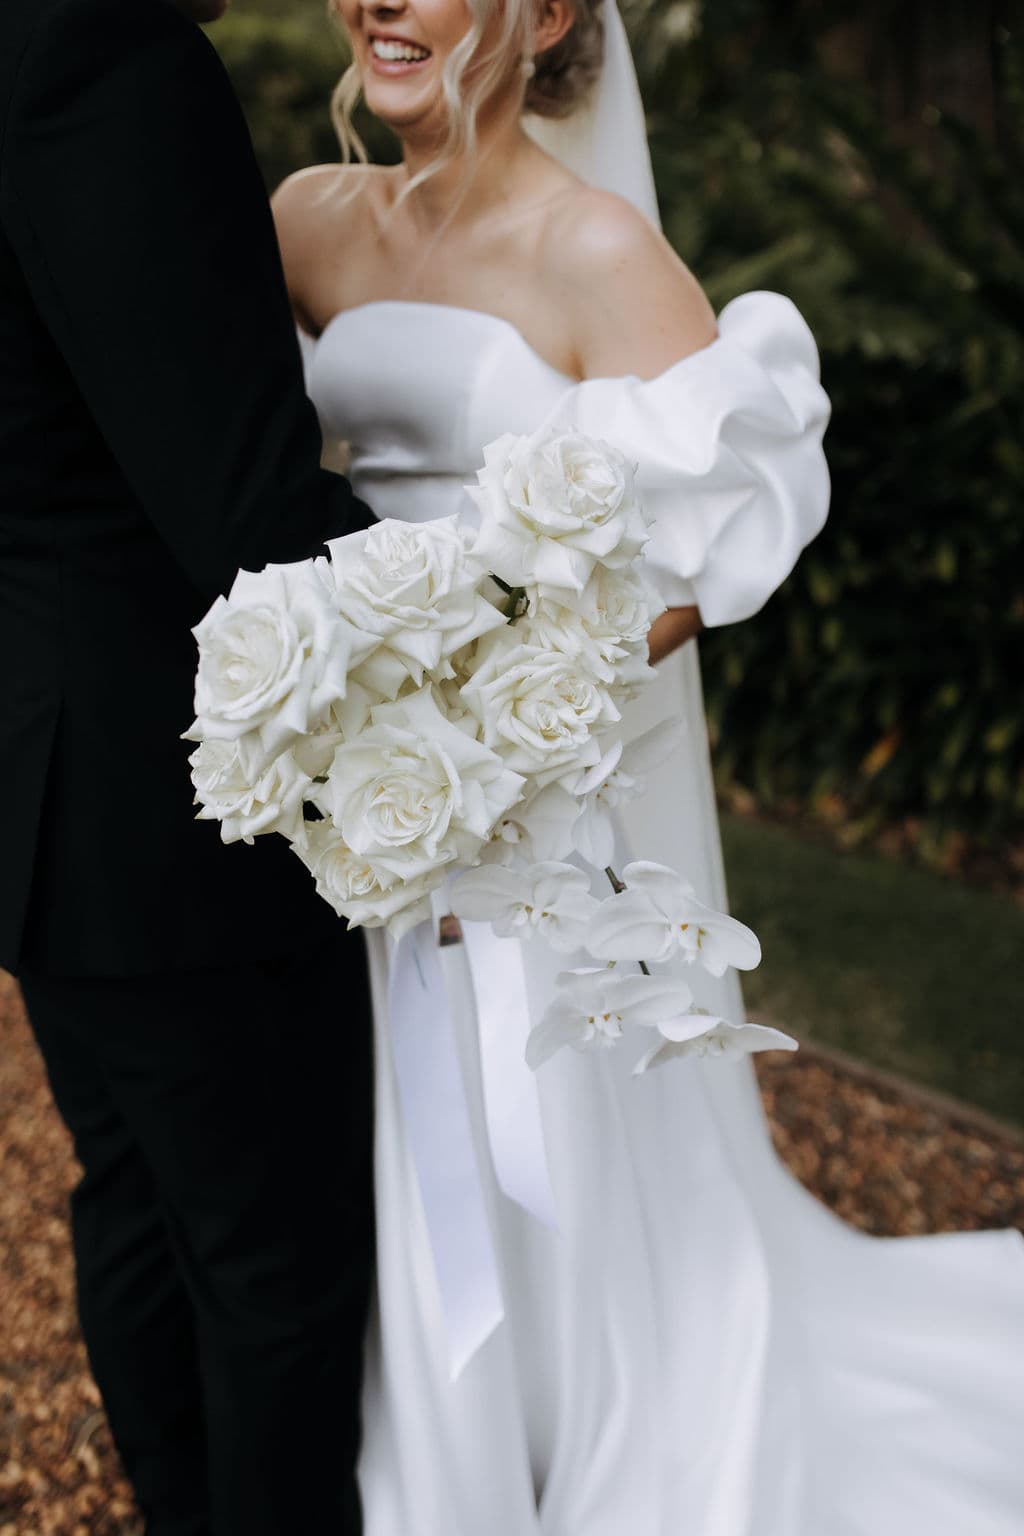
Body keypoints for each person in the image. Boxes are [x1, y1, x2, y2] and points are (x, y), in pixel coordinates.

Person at [273, 0, 1024, 1530]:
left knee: (538, 1122)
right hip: (345, 780)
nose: (379, 2)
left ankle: (590, 1443)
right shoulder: (305, 217)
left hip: (534, 805)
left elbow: (718, 531)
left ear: (543, 13)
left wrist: (501, 713)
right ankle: (438, 1452)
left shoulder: (598, 250)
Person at [1, 0, 377, 1531]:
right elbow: (246, 510)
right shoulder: (102, 55)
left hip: (46, 773)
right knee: (267, 1265)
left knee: (144, 1205)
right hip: (169, 793)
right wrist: (509, 602)